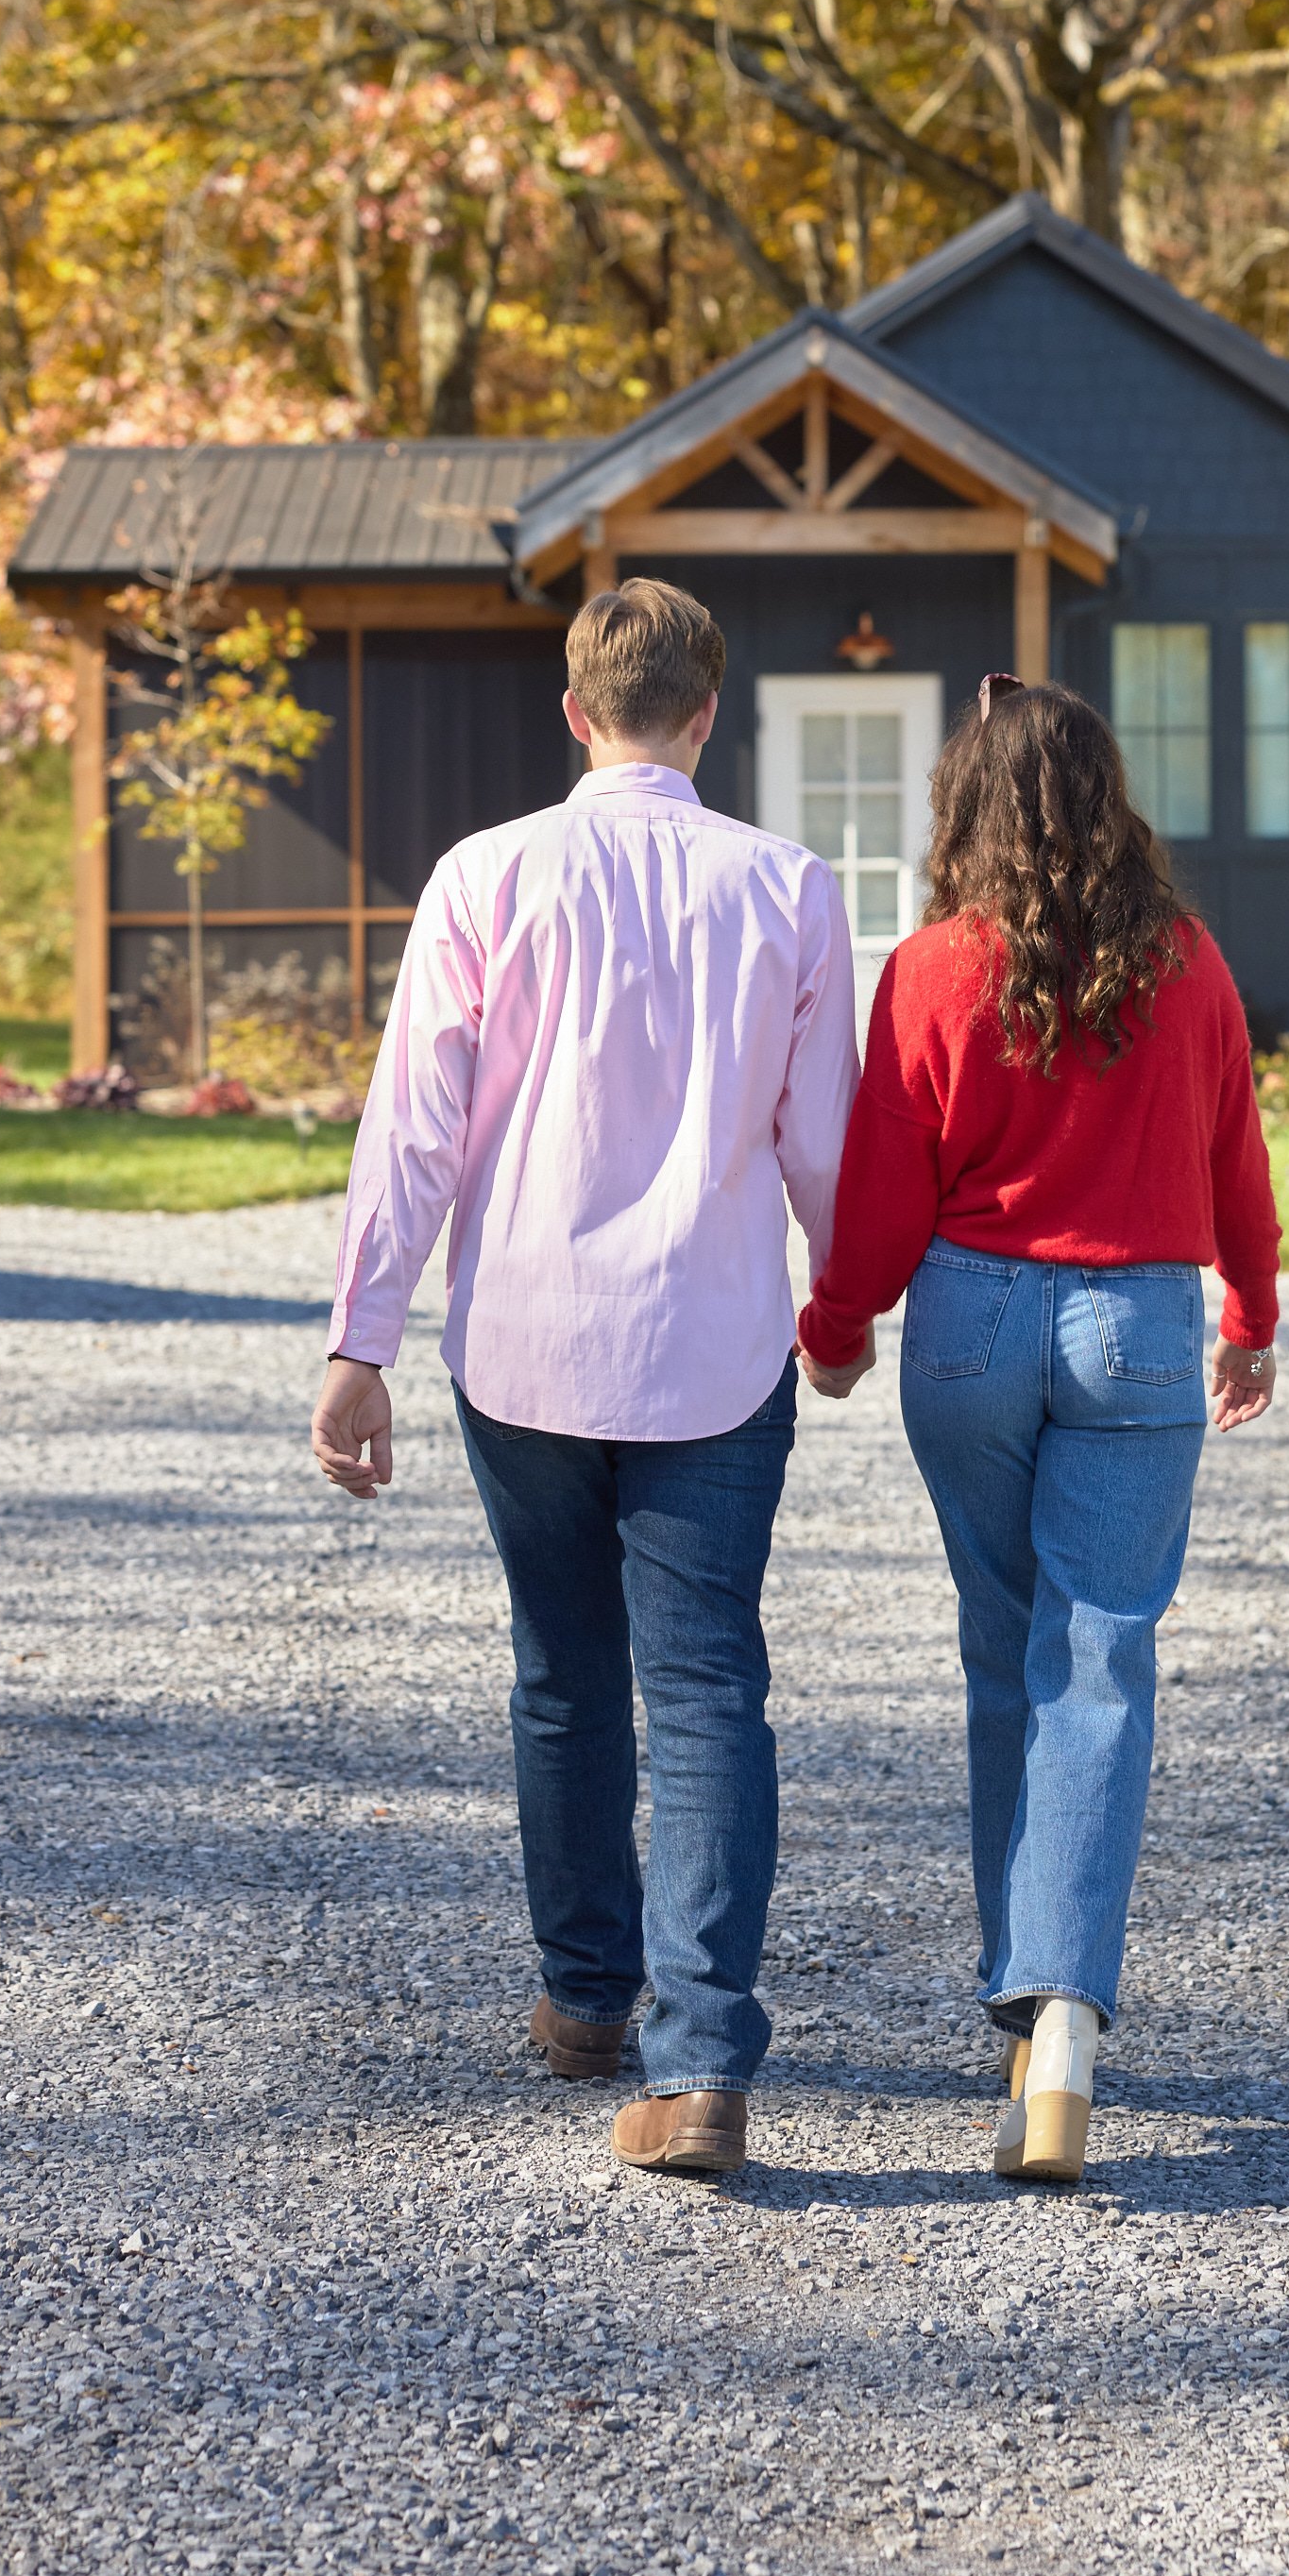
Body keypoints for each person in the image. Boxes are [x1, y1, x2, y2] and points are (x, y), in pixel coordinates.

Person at [310, 581, 857, 2182]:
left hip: (527, 1342)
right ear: (708, 713)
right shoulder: (787, 884)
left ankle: (580, 2002)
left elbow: (413, 1126)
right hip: (714, 1343)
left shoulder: (486, 875)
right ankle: (697, 2066)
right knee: (706, 1689)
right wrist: (844, 1301)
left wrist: (363, 1340)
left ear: (573, 710)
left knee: (560, 1676)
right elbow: (819, 1134)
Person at [795, 675, 1279, 2187]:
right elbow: (1236, 1150)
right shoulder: (1188, 964)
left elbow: (885, 1173)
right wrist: (1249, 1315)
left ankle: (1023, 1995)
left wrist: (836, 1322)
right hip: (1136, 1323)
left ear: (967, 810)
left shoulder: (933, 967)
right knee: (1098, 1654)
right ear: (1110, 798)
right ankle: (1061, 2013)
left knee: (1006, 1637)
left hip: (971, 1329)